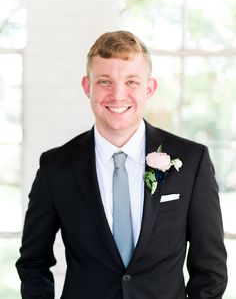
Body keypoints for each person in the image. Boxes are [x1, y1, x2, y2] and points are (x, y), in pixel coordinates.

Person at [16, 30, 227, 299]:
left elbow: (210, 270)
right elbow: (33, 264)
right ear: (87, 87)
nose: (118, 95)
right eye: (104, 81)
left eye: (131, 82)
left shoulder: (192, 161)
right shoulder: (55, 167)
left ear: (149, 89)